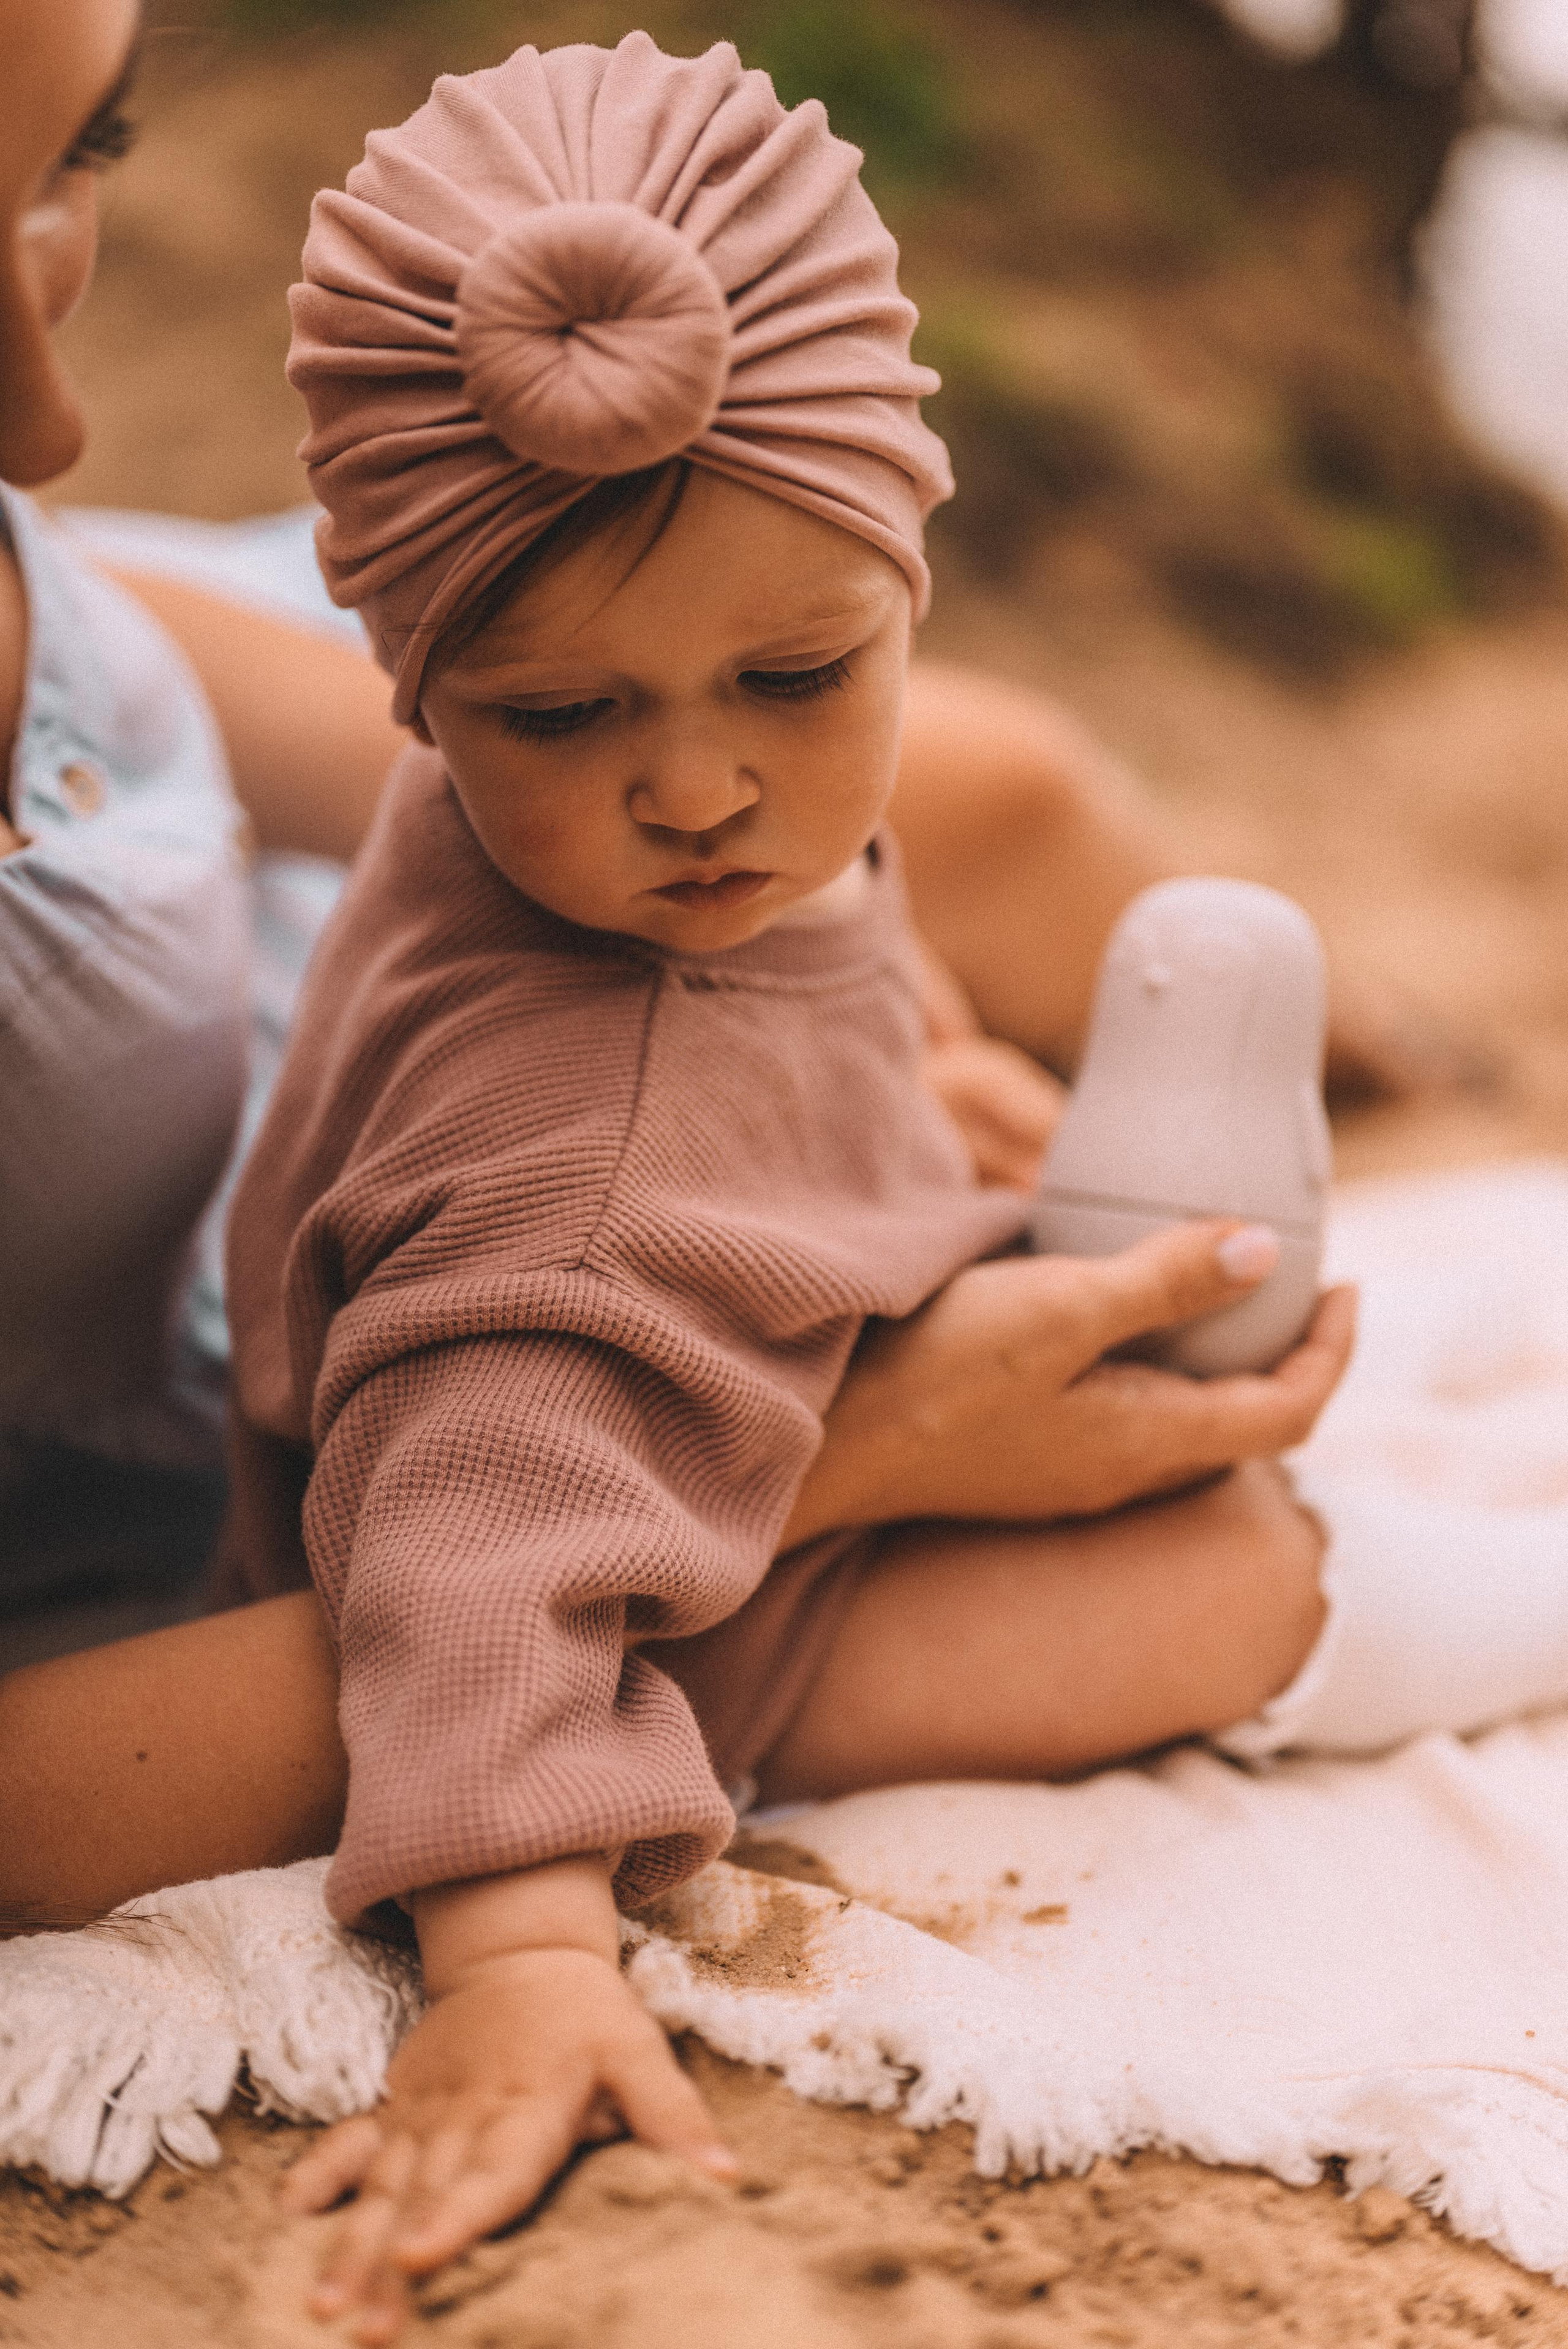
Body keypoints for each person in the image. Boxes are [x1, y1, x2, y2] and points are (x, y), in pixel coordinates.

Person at [4, 17, 1540, 2349]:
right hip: (581, 1527)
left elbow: (813, 879)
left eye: (802, 678)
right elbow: (477, 1564)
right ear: (421, 687)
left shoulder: (654, 822)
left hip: (702, 1359)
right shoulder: (554, 1168)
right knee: (1226, 1574)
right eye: (567, 718)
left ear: (906, 570)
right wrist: (524, 1959)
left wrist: (918, 1074)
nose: (704, 791)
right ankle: (1508, 1603)